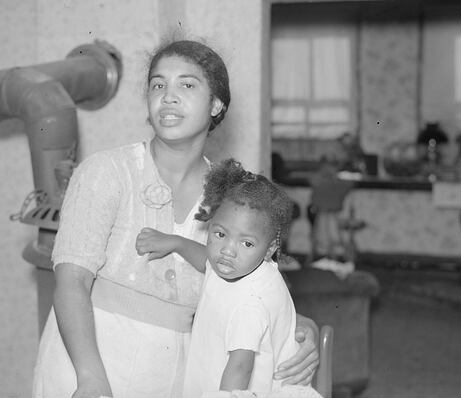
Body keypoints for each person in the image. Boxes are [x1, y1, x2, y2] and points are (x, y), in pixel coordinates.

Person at [32, 39, 319, 398]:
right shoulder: (105, 172)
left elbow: (255, 286)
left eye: (186, 84)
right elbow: (71, 282)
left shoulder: (231, 197)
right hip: (84, 361)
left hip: (176, 371)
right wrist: (90, 378)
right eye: (157, 85)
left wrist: (297, 323)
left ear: (216, 104)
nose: (167, 96)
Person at [182, 159, 323, 398]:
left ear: (270, 249)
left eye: (246, 243)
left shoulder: (250, 305)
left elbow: (240, 368)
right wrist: (175, 243)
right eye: (220, 234)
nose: (227, 250)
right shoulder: (240, 265)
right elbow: (206, 261)